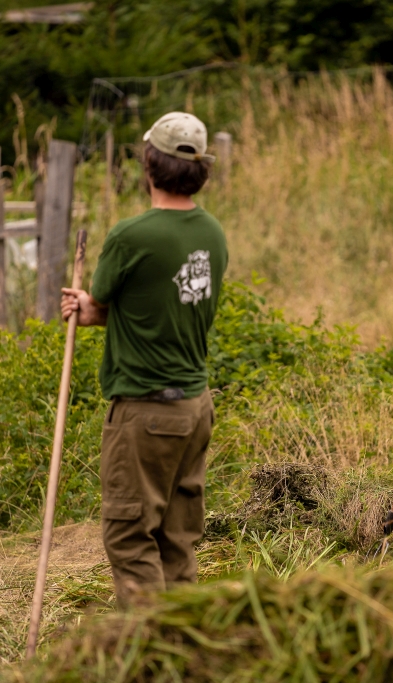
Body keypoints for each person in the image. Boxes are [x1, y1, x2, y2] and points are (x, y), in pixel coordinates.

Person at [60, 112, 228, 603]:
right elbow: (159, 305)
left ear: (149, 163)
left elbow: (104, 296)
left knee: (130, 537)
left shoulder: (131, 236)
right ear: (200, 170)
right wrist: (98, 314)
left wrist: (90, 309)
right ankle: (181, 650)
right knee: (176, 540)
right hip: (195, 408)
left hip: (146, 413)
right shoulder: (212, 233)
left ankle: (149, 655)